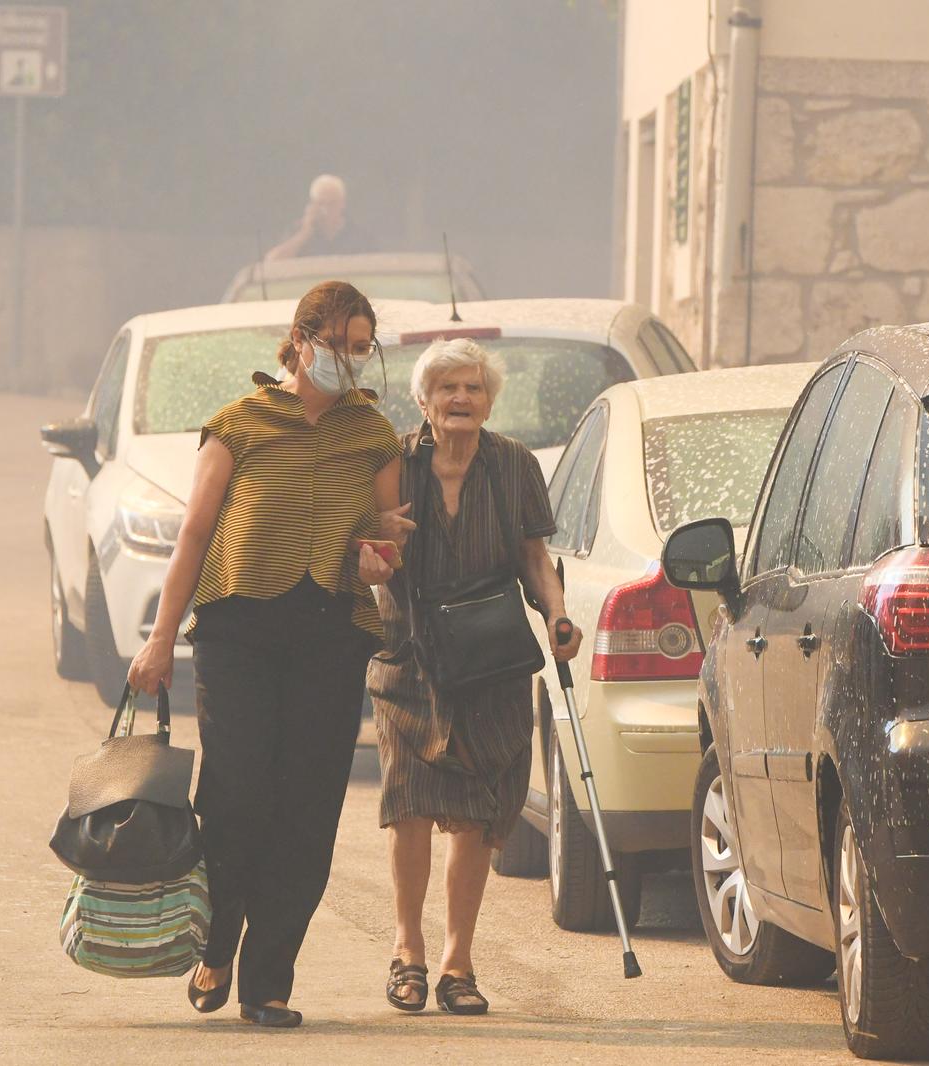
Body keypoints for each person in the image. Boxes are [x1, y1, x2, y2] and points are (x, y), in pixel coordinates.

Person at [127, 281, 403, 1030]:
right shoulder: (238, 424)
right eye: (339, 342)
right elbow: (194, 534)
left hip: (330, 634)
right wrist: (159, 636)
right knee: (237, 796)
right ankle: (216, 944)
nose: (349, 358)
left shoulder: (372, 432)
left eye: (361, 346)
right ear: (301, 338)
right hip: (238, 631)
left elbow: (385, 533)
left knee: (308, 808)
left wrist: (378, 560)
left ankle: (269, 980)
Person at [368, 338, 582, 1015]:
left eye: (474, 389)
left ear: (488, 400)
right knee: (409, 806)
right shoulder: (393, 464)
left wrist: (556, 614)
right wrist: (379, 545)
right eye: (449, 388)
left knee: (474, 817)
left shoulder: (512, 463)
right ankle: (408, 951)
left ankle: (458, 962)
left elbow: (533, 555)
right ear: (424, 400)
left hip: (491, 660)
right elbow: (365, 553)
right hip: (411, 656)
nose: (462, 399)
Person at [264, 174, 375, 260]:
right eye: (321, 203)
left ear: (343, 203)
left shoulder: (360, 237)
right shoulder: (298, 231)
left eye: (332, 203)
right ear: (312, 205)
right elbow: (272, 262)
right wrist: (304, 233)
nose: (326, 209)